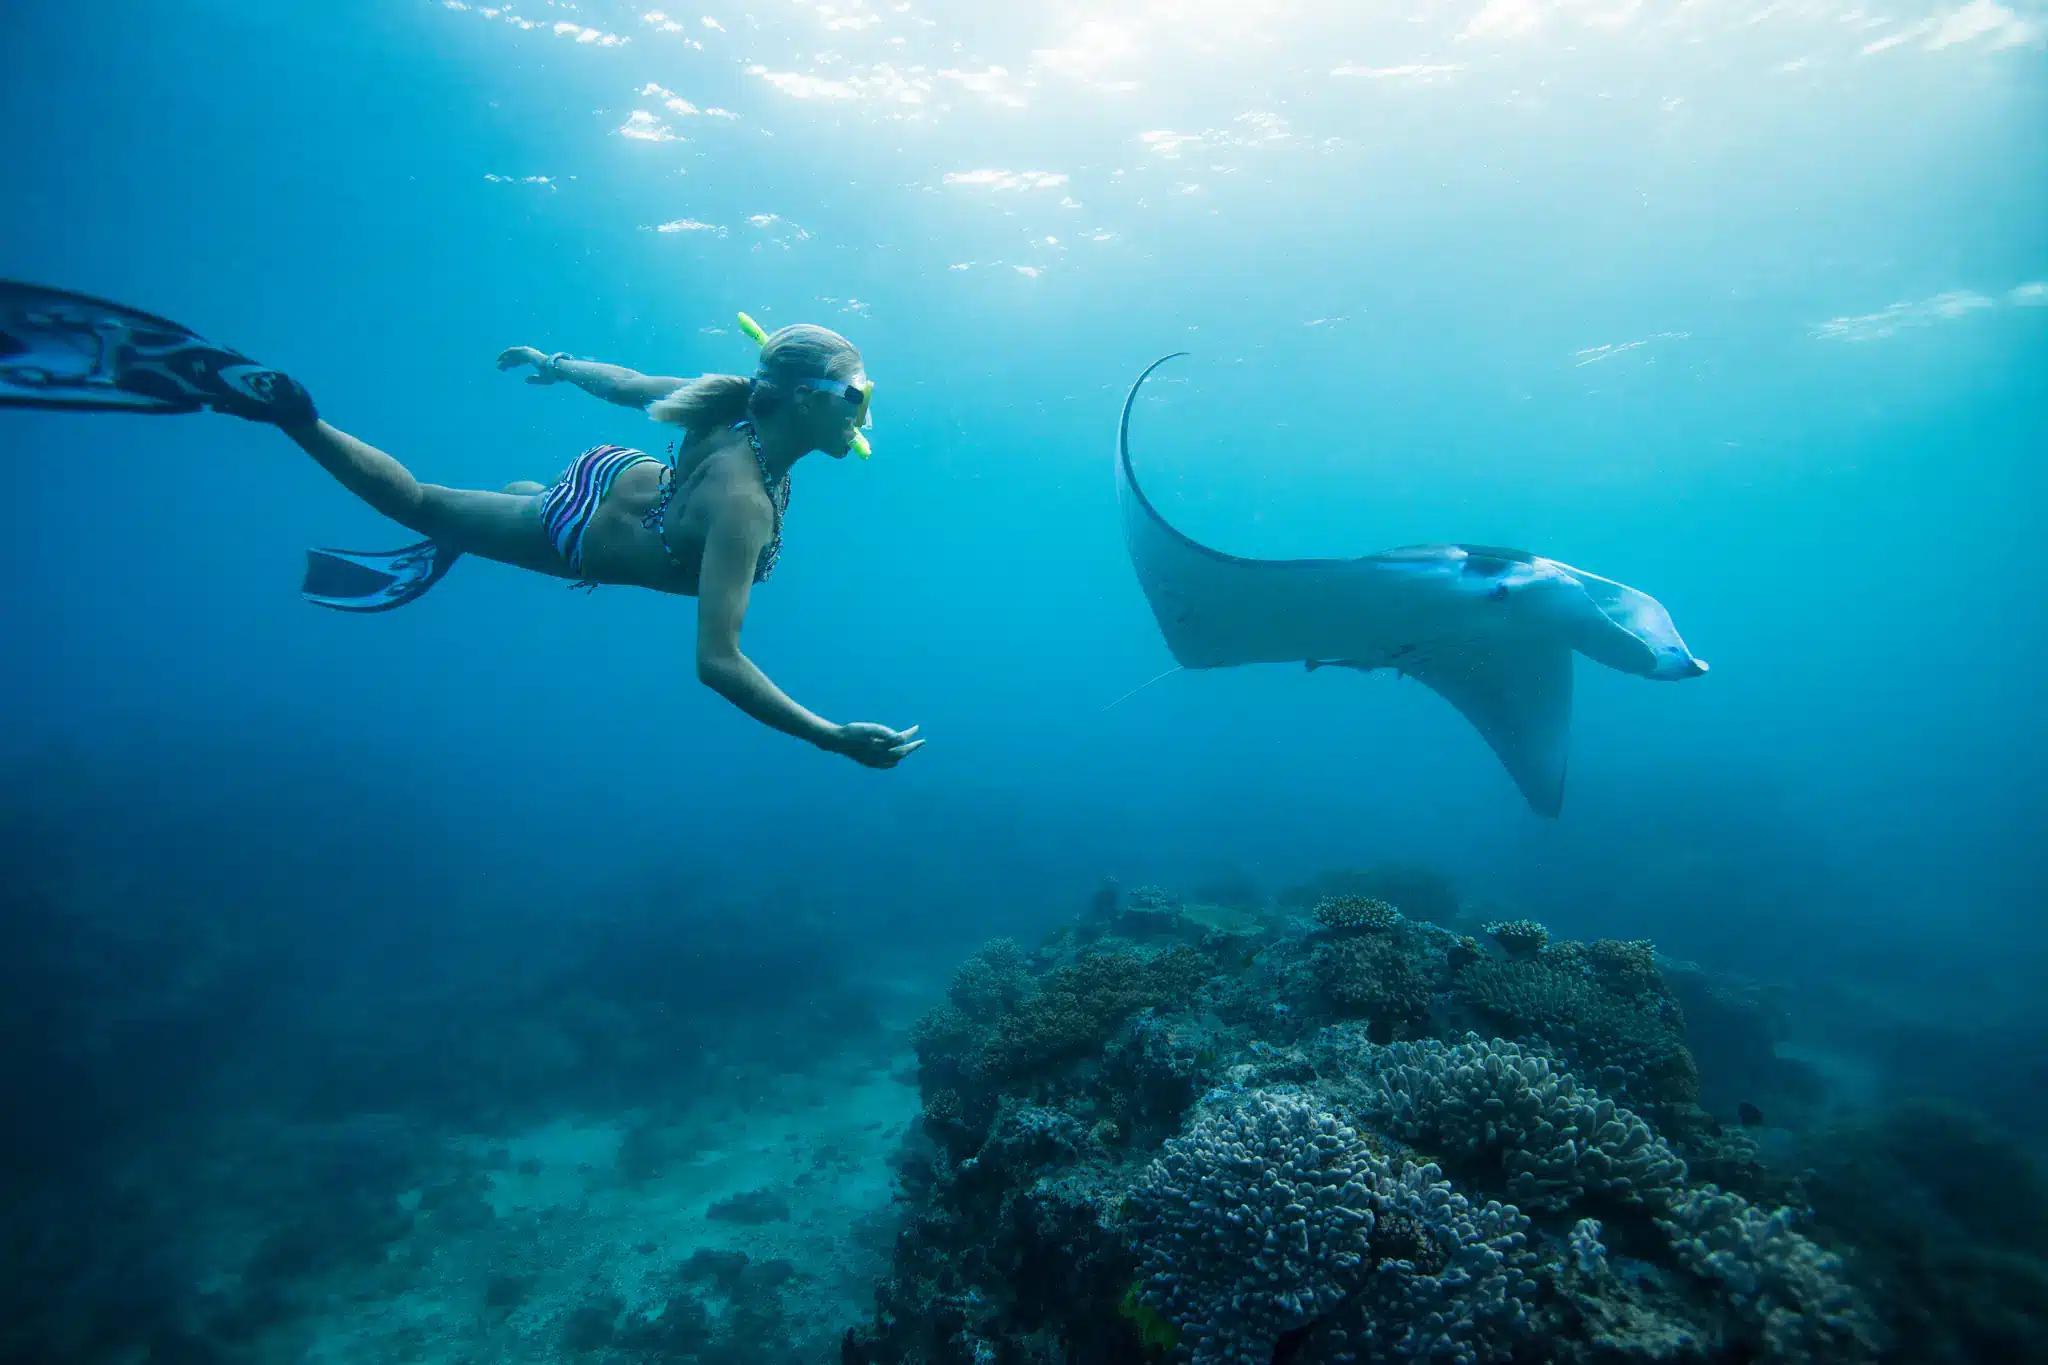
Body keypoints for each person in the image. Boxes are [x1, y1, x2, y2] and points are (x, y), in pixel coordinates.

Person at [0, 280, 922, 768]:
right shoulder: (745, 505)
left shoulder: (730, 413)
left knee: (516, 503)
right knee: (424, 505)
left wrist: (557, 364)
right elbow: (717, 661)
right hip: (585, 532)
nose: (865, 415)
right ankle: (290, 415)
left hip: (614, 479)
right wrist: (828, 734)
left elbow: (630, 386)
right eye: (856, 396)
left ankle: (499, 512)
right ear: (802, 402)